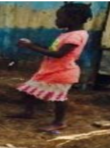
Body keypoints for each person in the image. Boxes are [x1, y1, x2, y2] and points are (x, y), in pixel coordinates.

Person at [14, 2, 92, 134]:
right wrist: (33, 44)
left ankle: (59, 122)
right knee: (27, 90)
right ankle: (28, 112)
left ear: (74, 19)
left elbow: (59, 54)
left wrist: (31, 46)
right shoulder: (68, 33)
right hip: (51, 70)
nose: (56, 21)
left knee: (59, 98)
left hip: (62, 72)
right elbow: (53, 49)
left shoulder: (75, 36)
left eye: (60, 18)